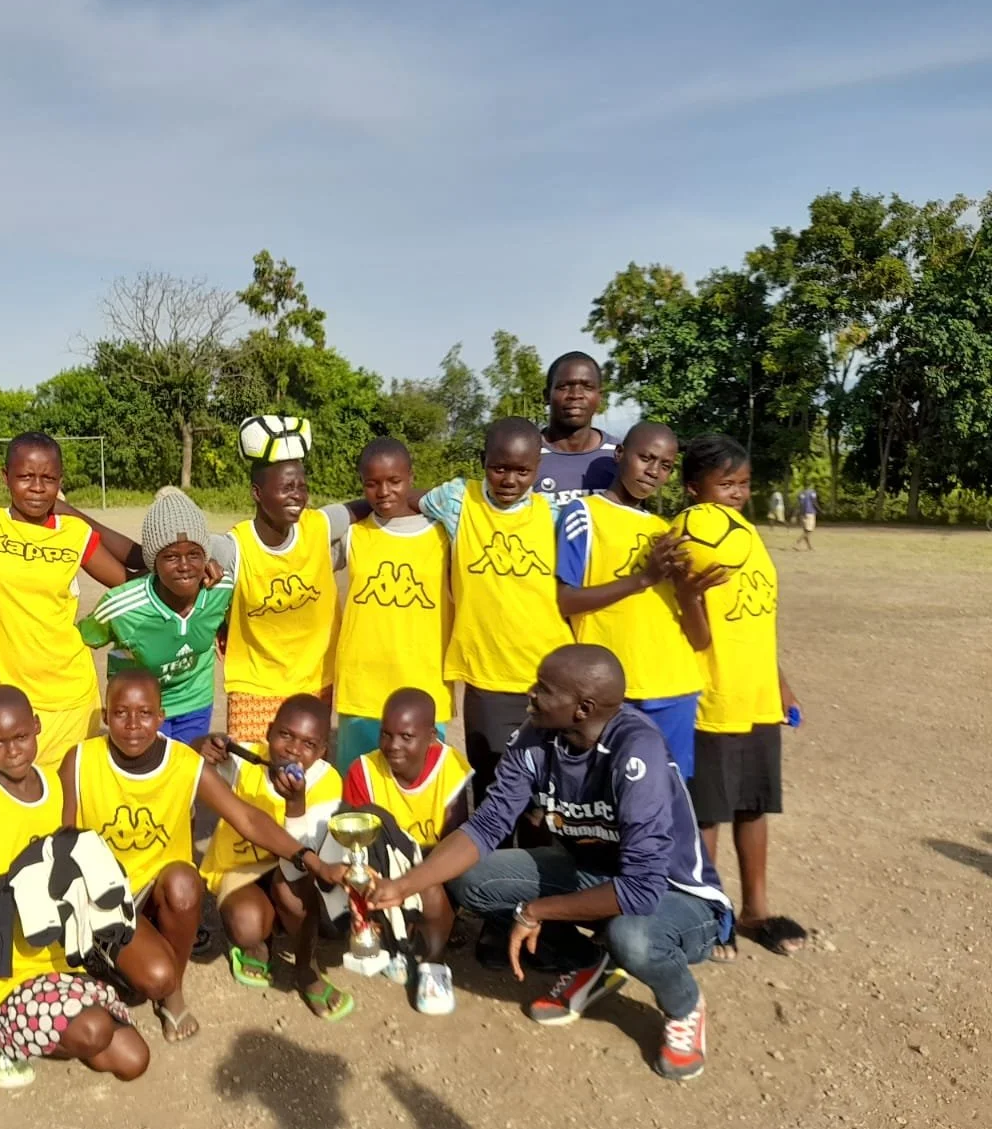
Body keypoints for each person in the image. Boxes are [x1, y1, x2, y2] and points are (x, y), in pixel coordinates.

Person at [369, 645, 734, 1082]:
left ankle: (684, 1007)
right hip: (592, 874)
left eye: (545, 689)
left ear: (583, 708)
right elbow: (486, 826)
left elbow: (640, 889)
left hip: (675, 896)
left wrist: (535, 911)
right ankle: (591, 961)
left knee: (632, 934)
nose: (531, 694)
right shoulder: (536, 737)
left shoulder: (637, 752)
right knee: (472, 879)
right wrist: (406, 884)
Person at [61, 671, 348, 1042]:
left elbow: (246, 817)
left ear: (161, 717)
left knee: (184, 884)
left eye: (145, 713)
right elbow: (64, 839)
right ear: (105, 715)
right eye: (121, 713)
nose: (133, 725)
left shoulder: (182, 762)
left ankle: (174, 993)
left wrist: (310, 860)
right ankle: (109, 955)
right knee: (149, 979)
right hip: (106, 895)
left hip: (162, 890)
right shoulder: (81, 760)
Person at [0, 687, 150, 1089]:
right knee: (92, 1031)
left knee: (133, 1059)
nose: (12, 750)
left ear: (36, 727)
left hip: (47, 953)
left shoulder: (52, 786)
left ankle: (46, 1025)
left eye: (20, 737)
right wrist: (26, 891)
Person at [680, 436, 806, 960]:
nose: (736, 493)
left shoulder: (748, 534)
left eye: (743, 483)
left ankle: (756, 910)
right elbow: (696, 634)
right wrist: (688, 592)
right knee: (707, 814)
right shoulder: (686, 537)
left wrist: (779, 679)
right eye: (724, 483)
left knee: (755, 807)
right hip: (713, 695)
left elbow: (756, 618)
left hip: (756, 695)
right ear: (693, 487)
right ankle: (712, 916)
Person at [419, 417, 574, 799]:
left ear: (538, 467)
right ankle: (498, 862)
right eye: (499, 467)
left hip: (546, 675)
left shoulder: (557, 516)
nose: (509, 479)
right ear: (482, 460)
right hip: (485, 676)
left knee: (545, 795)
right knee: (492, 790)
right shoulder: (457, 500)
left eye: (523, 471)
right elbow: (409, 499)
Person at [556, 421, 719, 778]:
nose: (653, 471)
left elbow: (700, 638)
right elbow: (566, 601)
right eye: (645, 457)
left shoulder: (670, 531)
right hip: (612, 691)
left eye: (665, 465)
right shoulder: (583, 516)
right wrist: (643, 579)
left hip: (675, 687)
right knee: (606, 801)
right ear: (619, 455)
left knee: (669, 800)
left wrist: (690, 594)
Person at [0, 433, 133, 765]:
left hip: (71, 694)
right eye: (26, 477)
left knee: (66, 804)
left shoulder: (73, 533)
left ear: (60, 482)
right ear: (5, 477)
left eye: (49, 479)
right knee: (13, 803)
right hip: (8, 699)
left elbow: (129, 580)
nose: (38, 487)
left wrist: (198, 569)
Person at [197, 694, 354, 1021]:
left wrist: (295, 804)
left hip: (295, 867)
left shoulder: (326, 782)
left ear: (323, 751)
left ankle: (306, 970)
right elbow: (191, 761)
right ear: (268, 732)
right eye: (286, 735)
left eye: (308, 743)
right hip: (241, 869)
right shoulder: (243, 760)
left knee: (293, 890)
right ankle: (256, 943)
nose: (294, 749)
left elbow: (304, 855)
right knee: (248, 925)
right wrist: (204, 744)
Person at [212, 418, 350, 742]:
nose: (297, 496)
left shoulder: (319, 526)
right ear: (257, 493)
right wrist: (221, 618)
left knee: (305, 779)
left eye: (301, 486)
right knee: (251, 780)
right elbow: (182, 556)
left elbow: (370, 503)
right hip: (254, 688)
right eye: (286, 487)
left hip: (315, 683)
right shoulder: (235, 546)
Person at [341, 688, 471, 1014]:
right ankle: (395, 942)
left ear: (431, 737)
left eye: (406, 736)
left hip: (433, 867)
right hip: (385, 866)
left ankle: (434, 965)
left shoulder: (449, 767)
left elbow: (456, 839)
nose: (393, 745)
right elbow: (360, 849)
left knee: (429, 881)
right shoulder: (364, 771)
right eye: (386, 734)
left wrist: (419, 876)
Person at [333, 438, 452, 771]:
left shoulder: (443, 534)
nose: (383, 491)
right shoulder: (353, 535)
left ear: (411, 478)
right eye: (372, 483)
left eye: (394, 481)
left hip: (423, 686)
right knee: (358, 793)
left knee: (420, 792)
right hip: (362, 688)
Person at [79, 489, 234, 742]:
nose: (184, 566)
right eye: (171, 557)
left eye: (194, 555)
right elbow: (81, 639)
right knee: (146, 777)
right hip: (139, 708)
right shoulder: (122, 608)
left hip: (194, 701)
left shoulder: (221, 590)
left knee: (184, 774)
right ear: (153, 562)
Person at [537, 352, 620, 506]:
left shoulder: (619, 456)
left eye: (587, 387)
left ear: (599, 396)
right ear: (547, 395)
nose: (576, 395)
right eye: (563, 387)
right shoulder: (527, 455)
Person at [795, 486, 820, 551]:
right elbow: (814, 502)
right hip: (810, 512)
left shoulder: (802, 493)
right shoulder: (812, 492)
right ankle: (797, 543)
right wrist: (819, 510)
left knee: (805, 531)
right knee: (809, 530)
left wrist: (796, 514)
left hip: (803, 513)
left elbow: (799, 503)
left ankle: (809, 547)